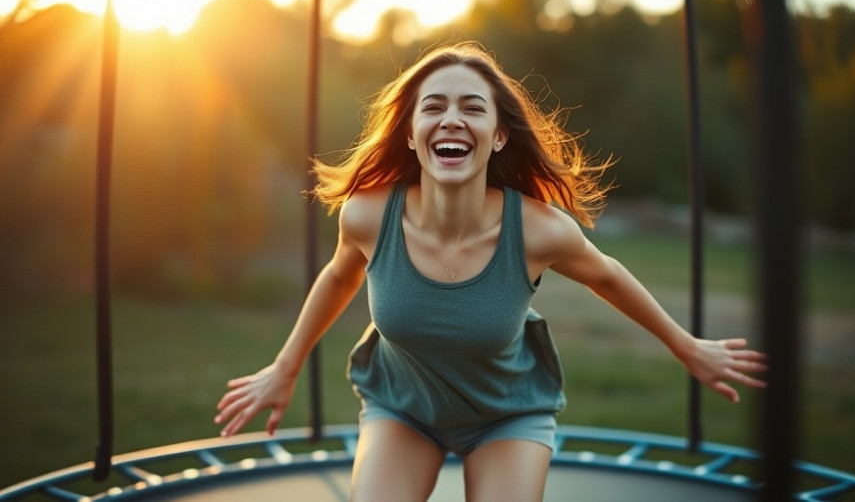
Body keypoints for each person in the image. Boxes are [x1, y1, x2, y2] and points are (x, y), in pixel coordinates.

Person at [214, 41, 767, 502]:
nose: (451, 118)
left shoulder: (537, 231)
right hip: (403, 410)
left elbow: (608, 276)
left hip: (508, 415)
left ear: (499, 135)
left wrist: (686, 346)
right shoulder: (367, 215)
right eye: (433, 107)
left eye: (472, 108)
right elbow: (339, 278)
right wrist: (286, 366)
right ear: (410, 133)